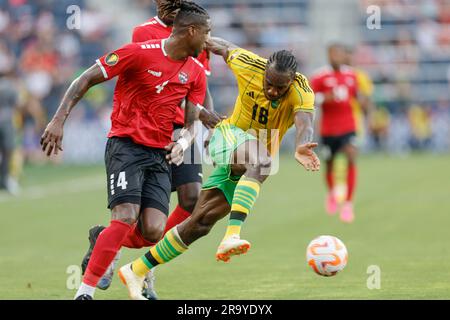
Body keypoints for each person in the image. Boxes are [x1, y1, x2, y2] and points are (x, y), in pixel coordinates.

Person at [41, 1, 220, 300]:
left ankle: (116, 248)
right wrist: (59, 120)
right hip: (127, 144)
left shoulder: (196, 69)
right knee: (125, 216)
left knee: (154, 228)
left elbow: (192, 119)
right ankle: (84, 292)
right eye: (206, 34)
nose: (209, 41)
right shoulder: (139, 46)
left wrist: (185, 144)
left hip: (164, 149)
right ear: (191, 31)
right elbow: (86, 77)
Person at [117, 37, 320, 300]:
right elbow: (219, 46)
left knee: (199, 223)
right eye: (268, 84)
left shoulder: (302, 90)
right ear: (265, 71)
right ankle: (232, 235)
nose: (272, 91)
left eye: (280, 88)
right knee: (263, 162)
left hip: (254, 157)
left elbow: (305, 123)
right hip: (229, 135)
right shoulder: (248, 64)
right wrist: (186, 39)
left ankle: (136, 270)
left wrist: (302, 145)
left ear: (291, 82)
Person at [310, 43, 368, 223]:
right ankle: (333, 194)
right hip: (328, 128)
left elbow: (358, 96)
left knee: (351, 156)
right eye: (333, 53)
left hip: (348, 126)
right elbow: (309, 98)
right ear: (328, 55)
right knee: (329, 163)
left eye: (339, 53)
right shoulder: (319, 76)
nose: (336, 57)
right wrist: (323, 98)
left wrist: (365, 106)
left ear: (344, 56)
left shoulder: (352, 75)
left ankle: (348, 203)